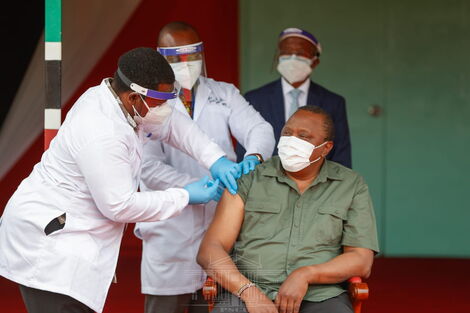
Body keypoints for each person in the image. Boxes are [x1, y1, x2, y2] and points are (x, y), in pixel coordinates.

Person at [0, 47, 242, 313]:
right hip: (49, 244)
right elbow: (119, 206)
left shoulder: (118, 100)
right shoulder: (102, 131)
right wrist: (185, 195)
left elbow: (172, 125)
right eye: (160, 103)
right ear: (135, 98)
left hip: (70, 232)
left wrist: (215, 159)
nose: (165, 109)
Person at [134, 22, 275, 313]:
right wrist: (193, 187)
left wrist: (254, 157)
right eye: (175, 59)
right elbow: (147, 167)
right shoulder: (147, 102)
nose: (186, 65)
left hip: (220, 219)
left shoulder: (224, 93)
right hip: (170, 226)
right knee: (165, 306)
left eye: (192, 56)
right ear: (160, 59)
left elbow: (258, 128)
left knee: (214, 301)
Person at [198, 105, 379, 313]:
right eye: (287, 133)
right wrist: (248, 292)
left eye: (304, 136)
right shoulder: (248, 178)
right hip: (246, 292)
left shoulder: (350, 185)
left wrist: (306, 274)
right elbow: (210, 249)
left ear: (326, 148)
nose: (292, 141)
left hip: (320, 295)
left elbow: (361, 260)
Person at [236, 27, 352, 168]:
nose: (292, 58)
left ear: (314, 61)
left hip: (317, 186)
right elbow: (244, 151)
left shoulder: (333, 103)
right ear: (278, 57)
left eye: (300, 54)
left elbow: (341, 157)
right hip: (266, 184)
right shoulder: (255, 99)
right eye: (286, 53)